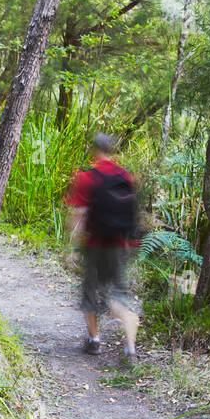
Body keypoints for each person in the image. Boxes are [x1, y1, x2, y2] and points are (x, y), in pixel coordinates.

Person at [65, 132, 141, 365]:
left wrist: (72, 247)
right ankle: (130, 349)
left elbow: (79, 213)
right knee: (118, 295)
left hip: (94, 244)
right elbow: (134, 213)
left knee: (91, 293)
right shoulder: (125, 176)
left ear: (93, 151)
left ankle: (95, 340)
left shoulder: (87, 178)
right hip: (119, 244)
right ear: (111, 150)